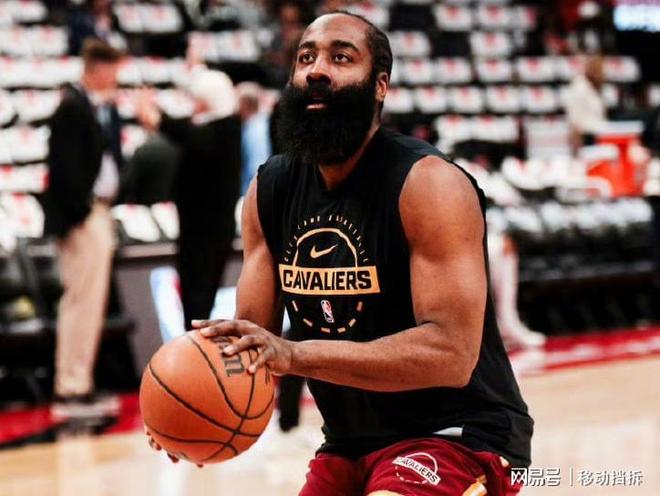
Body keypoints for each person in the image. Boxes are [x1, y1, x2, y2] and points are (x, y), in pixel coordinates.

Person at [148, 11, 533, 495]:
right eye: (306, 57)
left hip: (459, 435)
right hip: (348, 445)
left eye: (341, 58)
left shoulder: (429, 184)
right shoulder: (271, 189)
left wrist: (295, 354)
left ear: (380, 86)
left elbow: (451, 355)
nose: (317, 70)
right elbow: (251, 347)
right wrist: (181, 407)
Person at [44, 39, 124, 418]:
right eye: (112, 71)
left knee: (90, 304)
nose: (115, 79)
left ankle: (81, 382)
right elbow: (63, 170)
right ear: (97, 69)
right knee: (80, 302)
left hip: (96, 212)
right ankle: (71, 387)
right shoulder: (72, 107)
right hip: (83, 216)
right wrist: (80, 212)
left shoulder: (94, 107)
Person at [136, 69, 242, 330]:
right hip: (199, 228)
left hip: (207, 231)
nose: (193, 105)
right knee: (195, 296)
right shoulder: (217, 125)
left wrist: (156, 117)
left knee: (199, 297)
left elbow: (188, 134)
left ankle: (195, 344)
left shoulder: (224, 128)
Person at [563, 54, 607, 148]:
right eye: (597, 68)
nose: (601, 73)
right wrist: (577, 140)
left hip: (596, 135)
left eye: (601, 69)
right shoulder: (580, 87)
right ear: (589, 68)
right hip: (585, 137)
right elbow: (574, 117)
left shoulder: (594, 87)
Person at [236, 82, 273, 196]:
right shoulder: (255, 124)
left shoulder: (255, 130)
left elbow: (257, 167)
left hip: (253, 193)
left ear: (244, 104)